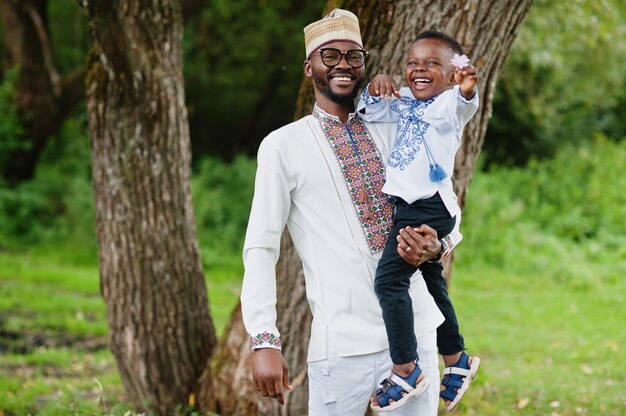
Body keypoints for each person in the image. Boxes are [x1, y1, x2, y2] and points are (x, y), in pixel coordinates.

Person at [240, 9, 462, 415]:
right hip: (342, 343)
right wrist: (264, 338)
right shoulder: (283, 146)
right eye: (330, 56)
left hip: (415, 332)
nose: (343, 65)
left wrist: (440, 243)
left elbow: (443, 196)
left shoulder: (394, 123)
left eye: (353, 56)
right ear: (309, 67)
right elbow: (261, 246)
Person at [356, 31, 481, 412]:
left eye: (432, 64)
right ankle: (456, 359)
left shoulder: (447, 106)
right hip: (409, 208)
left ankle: (406, 368)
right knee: (429, 281)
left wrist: (466, 89)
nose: (419, 70)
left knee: (389, 280)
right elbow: (369, 111)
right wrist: (377, 87)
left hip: (428, 209)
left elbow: (464, 104)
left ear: (449, 75)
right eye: (413, 63)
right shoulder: (406, 100)